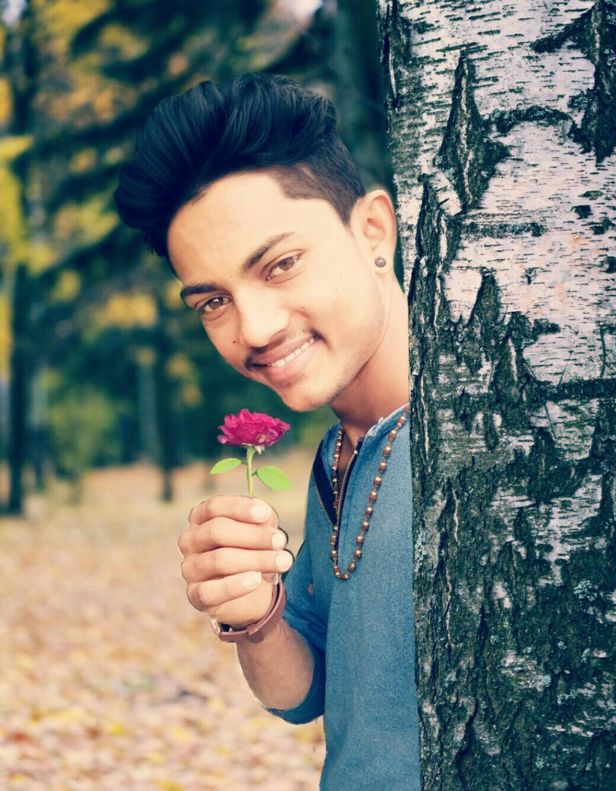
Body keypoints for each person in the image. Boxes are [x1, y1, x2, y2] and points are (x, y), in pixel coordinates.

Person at [115, 73, 419, 790]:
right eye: (213, 301)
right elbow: (305, 693)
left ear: (373, 231)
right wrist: (255, 612)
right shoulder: (339, 454)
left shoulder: (491, 444)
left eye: (280, 265)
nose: (252, 329)